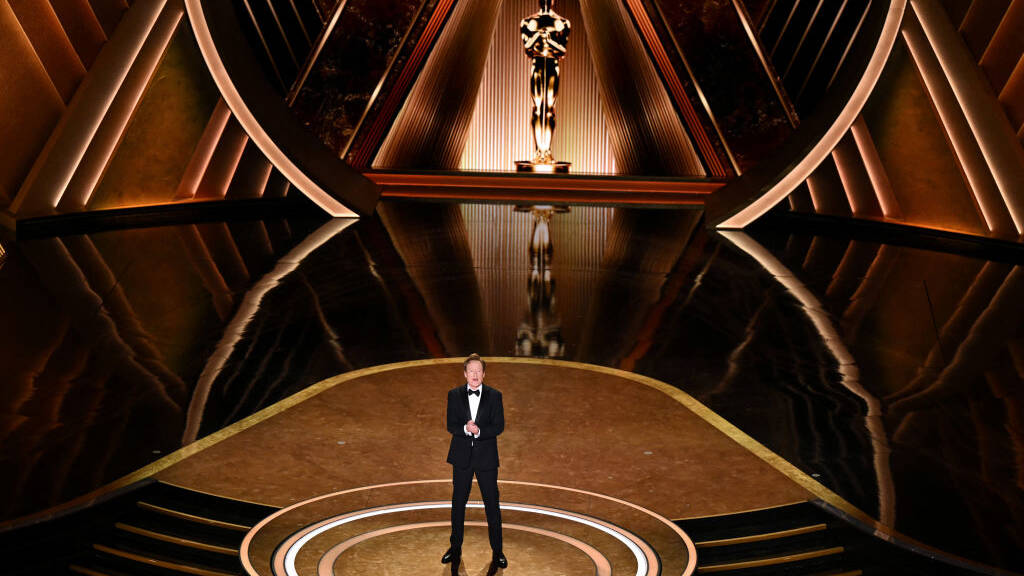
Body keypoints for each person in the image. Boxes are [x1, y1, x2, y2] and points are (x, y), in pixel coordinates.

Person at [441, 353, 507, 571]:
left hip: (486, 459)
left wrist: (479, 432)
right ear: (465, 374)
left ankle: (498, 552)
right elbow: (451, 424)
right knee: (458, 504)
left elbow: (499, 426)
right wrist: (464, 429)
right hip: (462, 458)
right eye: (471, 371)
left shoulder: (495, 396)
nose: (475, 375)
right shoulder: (454, 395)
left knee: (492, 505)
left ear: (484, 374)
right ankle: (455, 549)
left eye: (479, 371)